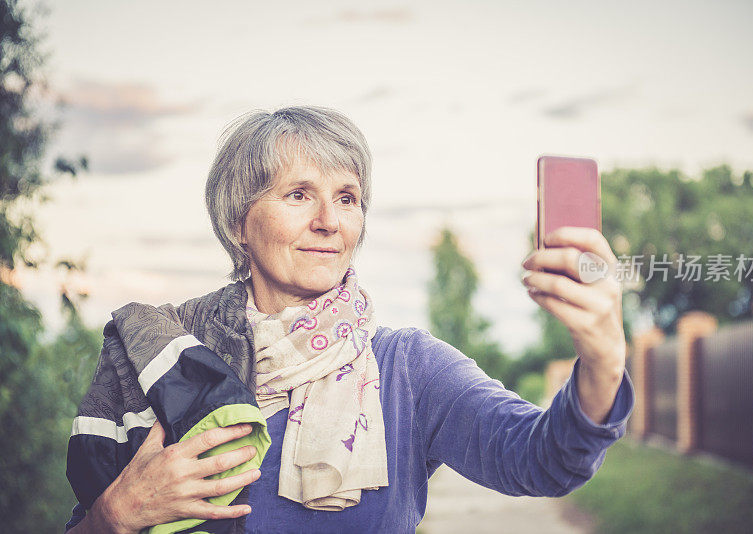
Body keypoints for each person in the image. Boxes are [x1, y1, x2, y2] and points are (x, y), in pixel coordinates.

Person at [65, 105, 634, 534]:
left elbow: (542, 460)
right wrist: (114, 514)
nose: (328, 221)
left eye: (347, 197)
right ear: (239, 222)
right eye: (297, 194)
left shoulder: (408, 369)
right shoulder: (167, 360)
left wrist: (604, 359)